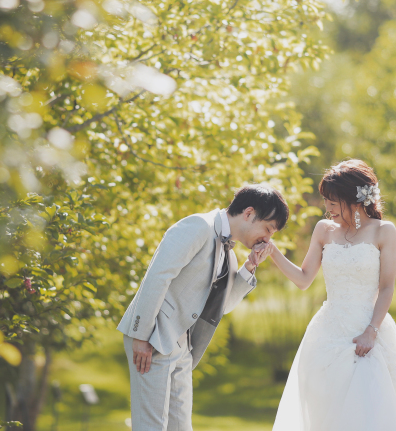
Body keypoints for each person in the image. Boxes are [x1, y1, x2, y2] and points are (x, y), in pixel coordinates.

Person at [260, 160, 396, 431]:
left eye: (333, 202)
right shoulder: (323, 230)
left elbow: (387, 287)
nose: (327, 208)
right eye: (326, 201)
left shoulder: (384, 231)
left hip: (368, 331)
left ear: (354, 201)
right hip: (328, 333)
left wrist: (371, 331)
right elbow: (303, 279)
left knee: (370, 410)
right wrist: (272, 251)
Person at [116, 184, 285, 431]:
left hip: (183, 345)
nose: (268, 239)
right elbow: (157, 277)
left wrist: (249, 267)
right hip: (154, 337)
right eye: (268, 229)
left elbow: (223, 306)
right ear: (249, 213)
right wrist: (141, 336)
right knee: (151, 426)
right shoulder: (198, 226)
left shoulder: (230, 254)